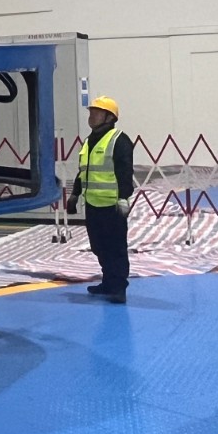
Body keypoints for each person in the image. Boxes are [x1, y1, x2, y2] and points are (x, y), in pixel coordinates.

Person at [65, 97, 134, 302]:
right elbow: (83, 171)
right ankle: (108, 283)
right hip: (93, 204)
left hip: (112, 205)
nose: (91, 116)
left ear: (109, 117)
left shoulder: (119, 140)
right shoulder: (89, 141)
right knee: (99, 246)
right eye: (91, 112)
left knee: (116, 248)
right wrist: (75, 194)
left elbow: (124, 172)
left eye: (96, 112)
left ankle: (118, 288)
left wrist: (123, 198)